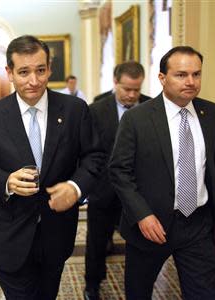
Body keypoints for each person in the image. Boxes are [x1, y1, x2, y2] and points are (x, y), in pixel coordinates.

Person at [0, 35, 104, 300]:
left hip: (57, 234)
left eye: (40, 70)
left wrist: (75, 188)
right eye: (23, 72)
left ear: (50, 68)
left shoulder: (75, 109)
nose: (34, 81)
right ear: (9, 73)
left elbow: (95, 157)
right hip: (9, 235)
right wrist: (6, 181)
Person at [109, 46, 215, 299]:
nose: (191, 82)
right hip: (151, 225)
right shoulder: (137, 119)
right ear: (162, 78)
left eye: (196, 74)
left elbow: (213, 162)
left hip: (197, 223)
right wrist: (142, 215)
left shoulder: (212, 113)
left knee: (203, 293)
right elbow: (119, 171)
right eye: (181, 75)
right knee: (138, 293)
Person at [84, 61, 149, 300]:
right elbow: (90, 152)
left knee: (139, 244)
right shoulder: (96, 111)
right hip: (104, 190)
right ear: (115, 83)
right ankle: (92, 284)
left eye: (136, 89)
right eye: (127, 89)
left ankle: (138, 287)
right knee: (96, 241)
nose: (132, 95)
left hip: (138, 192)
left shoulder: (152, 107)